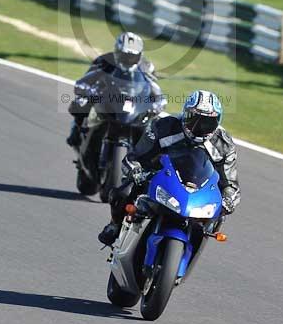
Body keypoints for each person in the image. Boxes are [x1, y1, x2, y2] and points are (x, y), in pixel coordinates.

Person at [98, 89, 240, 246]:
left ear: (217, 122)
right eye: (195, 119)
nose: (200, 126)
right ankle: (114, 225)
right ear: (185, 114)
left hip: (197, 191)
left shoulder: (224, 144)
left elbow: (231, 184)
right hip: (160, 177)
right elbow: (134, 158)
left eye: (208, 122)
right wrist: (136, 171)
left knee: (215, 218)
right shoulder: (164, 126)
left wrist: (229, 199)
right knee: (122, 192)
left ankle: (193, 244)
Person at [66, 31, 159, 148]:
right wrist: (86, 90)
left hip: (133, 100)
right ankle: (77, 129)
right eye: (125, 55)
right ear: (117, 52)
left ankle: (143, 152)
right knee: (81, 102)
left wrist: (156, 102)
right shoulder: (104, 60)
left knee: (152, 122)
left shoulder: (147, 66)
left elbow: (152, 85)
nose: (129, 60)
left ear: (140, 55)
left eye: (133, 56)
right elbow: (87, 78)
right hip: (107, 94)